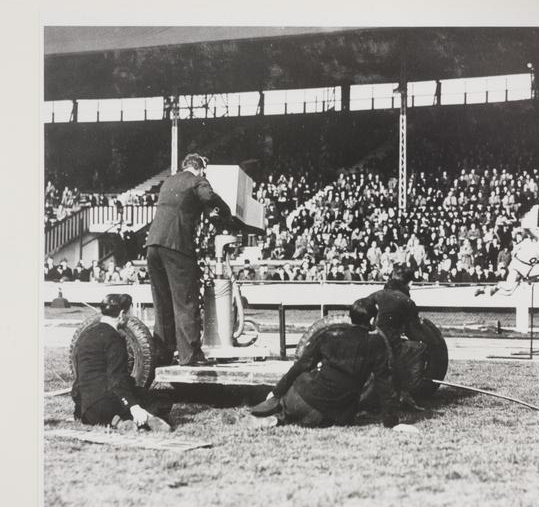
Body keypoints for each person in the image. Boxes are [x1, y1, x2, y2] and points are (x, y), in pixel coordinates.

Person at [252, 299, 401, 429]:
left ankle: (281, 413)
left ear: (351, 317)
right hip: (333, 412)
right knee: (326, 413)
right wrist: (392, 422)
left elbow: (301, 365)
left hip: (300, 398)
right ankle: (282, 419)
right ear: (371, 320)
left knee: (304, 384)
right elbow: (384, 383)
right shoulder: (376, 344)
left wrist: (277, 392)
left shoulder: (329, 334)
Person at [146, 153, 232, 366]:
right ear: (201, 168)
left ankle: (164, 353)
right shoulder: (197, 180)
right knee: (185, 301)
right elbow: (209, 197)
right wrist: (225, 212)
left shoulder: (169, 181)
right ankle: (190, 355)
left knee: (163, 302)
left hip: (153, 245)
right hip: (177, 245)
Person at [71, 294, 170, 432]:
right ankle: (145, 418)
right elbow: (116, 379)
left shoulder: (85, 335)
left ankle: (117, 421)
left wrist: (80, 408)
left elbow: (78, 379)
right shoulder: (114, 338)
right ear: (122, 314)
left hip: (87, 409)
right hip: (107, 403)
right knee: (161, 400)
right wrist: (133, 406)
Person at [361, 264, 429, 406]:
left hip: (368, 339)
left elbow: (360, 312)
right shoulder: (408, 301)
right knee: (420, 348)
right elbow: (414, 332)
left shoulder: (376, 294)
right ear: (409, 283)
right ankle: (404, 391)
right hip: (389, 345)